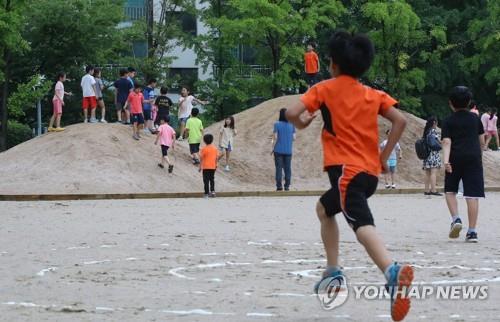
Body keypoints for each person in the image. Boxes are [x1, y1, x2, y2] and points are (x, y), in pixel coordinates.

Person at [285, 31, 412, 321]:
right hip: (368, 174)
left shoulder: (325, 88)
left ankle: (392, 272)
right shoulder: (372, 94)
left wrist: (303, 123)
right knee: (324, 209)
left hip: (345, 171)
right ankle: (333, 272)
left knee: (361, 223)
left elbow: (292, 113)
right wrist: (383, 156)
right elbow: (400, 120)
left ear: (332, 64)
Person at [442, 86, 485, 243]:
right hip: (473, 158)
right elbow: (482, 141)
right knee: (472, 195)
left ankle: (456, 219)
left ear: (450, 103)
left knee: (450, 191)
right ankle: (472, 232)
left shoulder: (448, 121)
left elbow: (447, 142)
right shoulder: (475, 119)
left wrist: (446, 161)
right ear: (468, 102)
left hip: (454, 158)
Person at [271, 108, 295, 191]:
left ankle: (279, 186)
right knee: (288, 168)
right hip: (288, 150)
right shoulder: (292, 124)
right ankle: (287, 186)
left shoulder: (276, 124)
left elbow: (275, 137)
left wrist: (272, 148)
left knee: (278, 168)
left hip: (278, 150)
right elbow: (294, 138)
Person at [422, 116, 442, 196]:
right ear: (434, 122)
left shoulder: (426, 131)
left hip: (427, 154)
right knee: (433, 173)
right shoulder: (433, 131)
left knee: (427, 173)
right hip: (433, 154)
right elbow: (438, 142)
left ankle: (426, 190)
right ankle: (433, 190)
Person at [199, 133, 220, 198]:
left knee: (206, 180)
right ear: (212, 140)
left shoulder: (204, 149)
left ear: (204, 141)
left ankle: (206, 193)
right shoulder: (215, 149)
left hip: (205, 167)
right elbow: (217, 158)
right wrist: (216, 164)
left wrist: (200, 167)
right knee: (212, 179)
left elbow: (201, 158)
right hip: (213, 166)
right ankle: (213, 192)